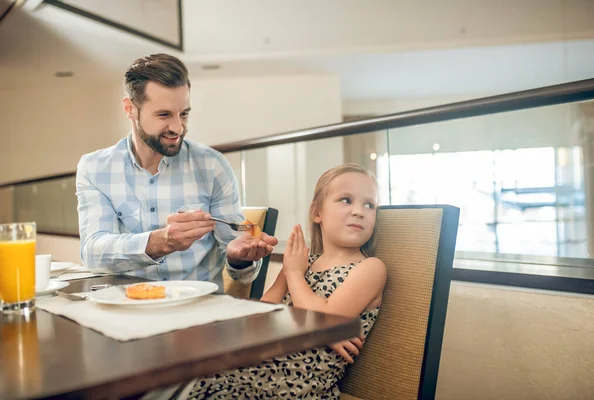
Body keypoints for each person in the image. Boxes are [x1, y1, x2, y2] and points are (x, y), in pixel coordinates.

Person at [166, 163, 387, 399]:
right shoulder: (302, 261)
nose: (359, 211)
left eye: (369, 204)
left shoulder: (371, 268)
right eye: (346, 200)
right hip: (253, 370)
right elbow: (258, 319)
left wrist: (293, 276)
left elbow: (325, 323)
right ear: (317, 213)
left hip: (295, 386)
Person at [75, 54, 277, 287]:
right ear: (130, 109)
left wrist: (238, 259)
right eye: (164, 115)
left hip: (198, 313)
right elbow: (93, 254)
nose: (178, 127)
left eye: (184, 114)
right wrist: (160, 242)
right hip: (126, 309)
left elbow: (241, 268)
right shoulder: (95, 168)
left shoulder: (212, 166)